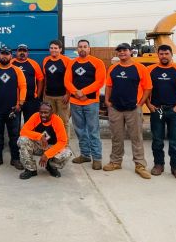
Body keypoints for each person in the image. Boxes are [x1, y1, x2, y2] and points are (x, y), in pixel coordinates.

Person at [103, 43, 153, 179]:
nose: (122, 53)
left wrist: (140, 104)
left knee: (136, 137)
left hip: (133, 109)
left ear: (131, 52)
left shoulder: (140, 68)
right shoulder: (113, 68)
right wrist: (107, 102)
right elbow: (108, 86)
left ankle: (140, 165)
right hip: (115, 109)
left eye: (124, 50)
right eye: (119, 51)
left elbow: (148, 87)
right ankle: (115, 162)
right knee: (116, 137)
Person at [146, 44, 176, 180]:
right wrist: (149, 105)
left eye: (166, 54)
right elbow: (146, 89)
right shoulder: (150, 70)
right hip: (157, 110)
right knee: (157, 140)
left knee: (175, 141)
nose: (164, 56)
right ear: (158, 55)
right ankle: (158, 165)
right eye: (161, 54)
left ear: (171, 55)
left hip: (173, 110)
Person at [64, 39, 106, 170]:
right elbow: (67, 81)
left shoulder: (97, 62)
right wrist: (76, 93)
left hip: (91, 103)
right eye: (80, 47)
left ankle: (97, 158)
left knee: (93, 131)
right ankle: (85, 154)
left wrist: (83, 92)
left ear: (89, 49)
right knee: (80, 130)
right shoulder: (72, 63)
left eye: (85, 47)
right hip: (75, 102)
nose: (82, 49)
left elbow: (99, 82)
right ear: (77, 49)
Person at [0, 46, 27, 170]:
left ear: (11, 56)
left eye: (7, 54)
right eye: (2, 54)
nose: (4, 56)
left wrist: (21, 103)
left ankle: (15, 159)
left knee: (14, 136)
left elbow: (23, 87)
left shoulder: (17, 70)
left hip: (13, 110)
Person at [17, 102, 72, 179]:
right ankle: (31, 169)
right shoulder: (35, 116)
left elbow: (63, 141)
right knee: (22, 140)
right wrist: (40, 136)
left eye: (46, 113)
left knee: (67, 153)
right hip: (38, 146)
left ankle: (51, 166)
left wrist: (47, 154)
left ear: (51, 113)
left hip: (51, 147)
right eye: (41, 112)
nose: (43, 115)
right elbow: (23, 131)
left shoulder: (57, 120)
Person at [42, 39, 72, 134]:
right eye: (51, 48)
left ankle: (65, 145)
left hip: (62, 96)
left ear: (60, 49)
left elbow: (70, 79)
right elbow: (46, 78)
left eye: (56, 48)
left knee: (64, 122)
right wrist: (44, 94)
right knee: (50, 121)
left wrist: (68, 94)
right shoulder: (46, 60)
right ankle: (54, 142)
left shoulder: (66, 60)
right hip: (49, 96)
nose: (53, 50)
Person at [12, 44, 44, 122]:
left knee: (31, 124)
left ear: (27, 53)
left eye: (24, 51)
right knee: (14, 126)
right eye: (20, 51)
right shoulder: (11, 63)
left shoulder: (34, 64)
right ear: (16, 52)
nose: (22, 53)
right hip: (14, 101)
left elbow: (40, 79)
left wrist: (38, 95)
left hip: (31, 101)